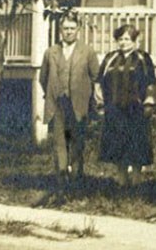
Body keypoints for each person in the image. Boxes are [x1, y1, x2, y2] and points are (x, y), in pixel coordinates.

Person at [39, 15, 99, 190]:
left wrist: (89, 98)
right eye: (66, 28)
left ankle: (77, 179)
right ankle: (61, 178)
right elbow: (43, 78)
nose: (69, 32)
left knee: (77, 141)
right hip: (58, 104)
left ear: (78, 30)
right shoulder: (51, 52)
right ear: (60, 30)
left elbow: (96, 76)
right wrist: (53, 93)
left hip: (79, 104)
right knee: (59, 141)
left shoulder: (87, 51)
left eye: (72, 28)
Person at [98, 23, 156, 188]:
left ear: (134, 40)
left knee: (136, 143)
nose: (123, 42)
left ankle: (137, 179)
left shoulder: (142, 58)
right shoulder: (110, 58)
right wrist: (102, 102)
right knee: (118, 143)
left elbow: (150, 82)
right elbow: (100, 81)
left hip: (135, 109)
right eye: (120, 39)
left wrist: (149, 102)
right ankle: (122, 179)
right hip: (115, 108)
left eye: (127, 39)